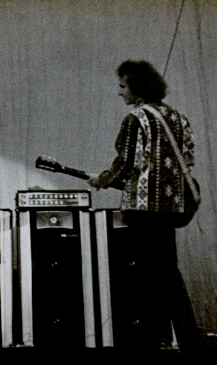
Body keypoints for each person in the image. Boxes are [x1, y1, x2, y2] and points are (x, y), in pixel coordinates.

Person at [88, 60, 199, 348]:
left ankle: (155, 339)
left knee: (146, 276)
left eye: (123, 86)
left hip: (142, 210)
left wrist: (102, 180)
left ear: (137, 87)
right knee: (168, 272)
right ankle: (187, 338)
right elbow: (187, 160)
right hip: (170, 209)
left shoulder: (135, 119)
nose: (119, 92)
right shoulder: (177, 117)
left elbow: (124, 165)